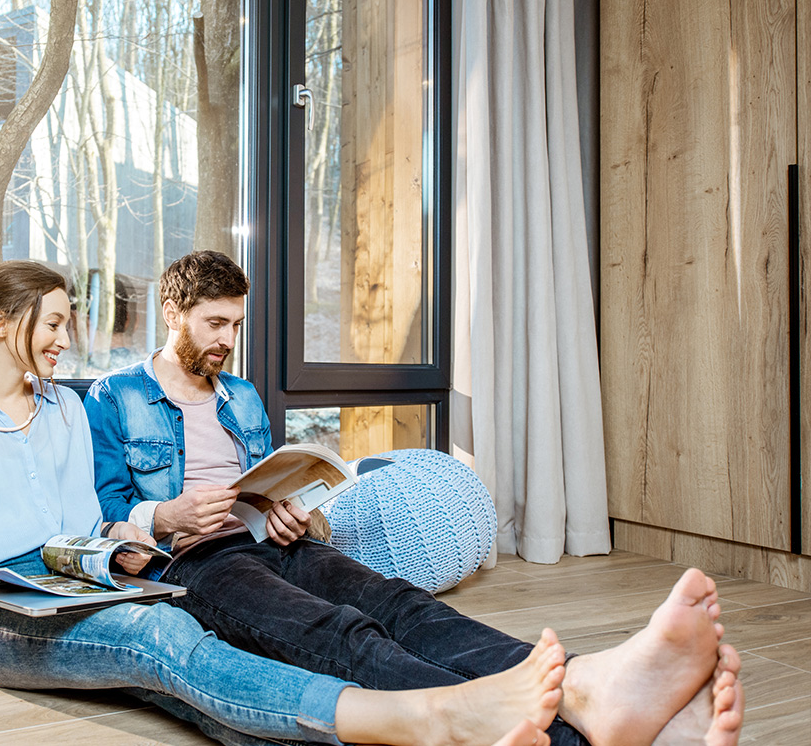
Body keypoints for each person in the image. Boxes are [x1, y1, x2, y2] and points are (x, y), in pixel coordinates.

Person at [0, 260, 577, 746]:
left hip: (76, 584)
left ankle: (561, 704)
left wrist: (120, 548)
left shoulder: (64, 413)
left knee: (201, 691)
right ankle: (435, 715)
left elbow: (85, 529)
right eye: (53, 323)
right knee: (164, 643)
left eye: (66, 322)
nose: (65, 338)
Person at [84, 250, 745, 746]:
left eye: (235, 323)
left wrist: (292, 508)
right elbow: (102, 517)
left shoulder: (243, 395)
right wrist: (166, 515)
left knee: (404, 603)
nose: (227, 339)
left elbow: (264, 480)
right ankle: (570, 728)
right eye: (214, 323)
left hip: (274, 541)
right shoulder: (115, 396)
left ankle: (586, 686)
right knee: (342, 633)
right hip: (196, 563)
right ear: (174, 313)